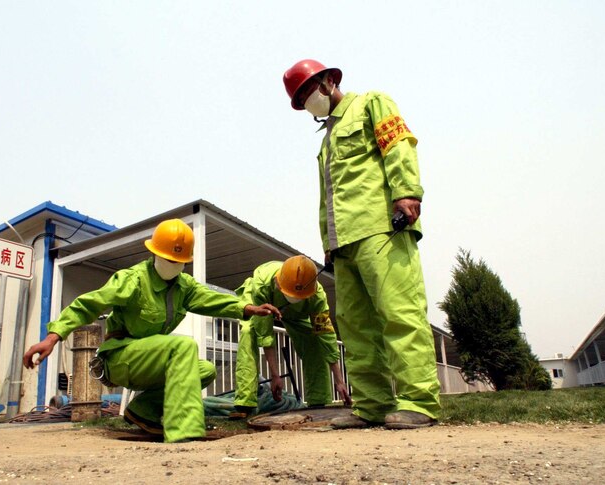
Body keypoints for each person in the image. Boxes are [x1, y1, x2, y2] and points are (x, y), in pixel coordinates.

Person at [281, 59, 441, 429]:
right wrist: (328, 244)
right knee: (354, 327)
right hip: (343, 244)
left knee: (399, 313)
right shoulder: (326, 142)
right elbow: (328, 197)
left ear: (327, 81)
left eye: (308, 90)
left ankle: (419, 401)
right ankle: (371, 404)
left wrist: (406, 192)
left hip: (380, 229)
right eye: (300, 97)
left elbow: (399, 145)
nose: (308, 100)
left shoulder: (371, 103)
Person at [23, 219, 281, 443]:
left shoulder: (184, 286)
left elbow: (214, 300)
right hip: (120, 357)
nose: (172, 264)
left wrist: (249, 307)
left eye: (179, 260)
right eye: (168, 258)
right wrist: (53, 336)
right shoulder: (133, 279)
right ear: (154, 253)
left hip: (151, 358)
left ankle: (143, 410)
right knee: (183, 346)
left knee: (205, 370)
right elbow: (89, 304)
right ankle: (185, 431)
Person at [232, 256, 351, 418]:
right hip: (259, 304)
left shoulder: (317, 296)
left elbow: (325, 334)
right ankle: (244, 404)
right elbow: (265, 334)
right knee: (248, 332)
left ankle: (318, 401)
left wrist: (339, 379)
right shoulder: (262, 284)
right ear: (278, 283)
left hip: (296, 314)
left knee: (314, 341)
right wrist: (275, 375)